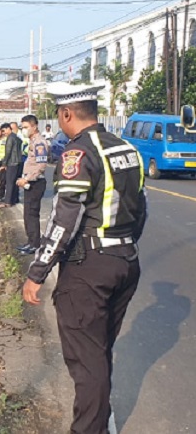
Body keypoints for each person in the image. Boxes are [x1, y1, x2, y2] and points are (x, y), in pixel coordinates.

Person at [23, 85, 147, 434]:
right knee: (99, 349)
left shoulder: (77, 154)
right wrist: (123, 246)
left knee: (86, 359)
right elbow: (141, 209)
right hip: (126, 259)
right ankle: (99, 423)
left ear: (66, 114)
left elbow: (65, 220)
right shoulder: (127, 148)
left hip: (89, 267)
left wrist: (37, 272)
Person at [15, 115, 49, 255]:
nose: (23, 130)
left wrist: (27, 179)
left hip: (35, 183)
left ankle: (35, 244)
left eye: (26, 127)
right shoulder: (32, 141)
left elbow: (41, 165)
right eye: (22, 127)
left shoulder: (40, 143)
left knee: (32, 214)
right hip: (30, 182)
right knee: (28, 214)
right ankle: (30, 242)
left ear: (34, 127)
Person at [0, 123, 23, 208]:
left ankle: (7, 202)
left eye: (4, 131)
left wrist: (4, 164)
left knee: (10, 182)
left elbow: (8, 152)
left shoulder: (10, 138)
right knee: (15, 182)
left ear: (8, 129)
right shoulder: (17, 138)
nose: (3, 133)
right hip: (19, 162)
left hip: (12, 163)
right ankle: (14, 199)